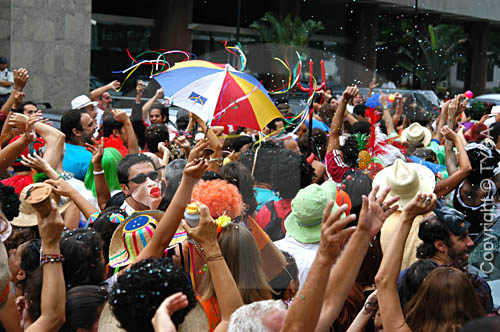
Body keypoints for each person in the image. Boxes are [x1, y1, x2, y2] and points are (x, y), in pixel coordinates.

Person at [375, 192, 487, 332]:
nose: (470, 242)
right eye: (463, 238)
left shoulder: (402, 280)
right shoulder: (475, 285)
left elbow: (384, 282)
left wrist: (407, 217)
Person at [60, 109, 97, 181]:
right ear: (76, 132)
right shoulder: (89, 157)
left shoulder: (55, 150)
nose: (95, 127)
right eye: (90, 125)